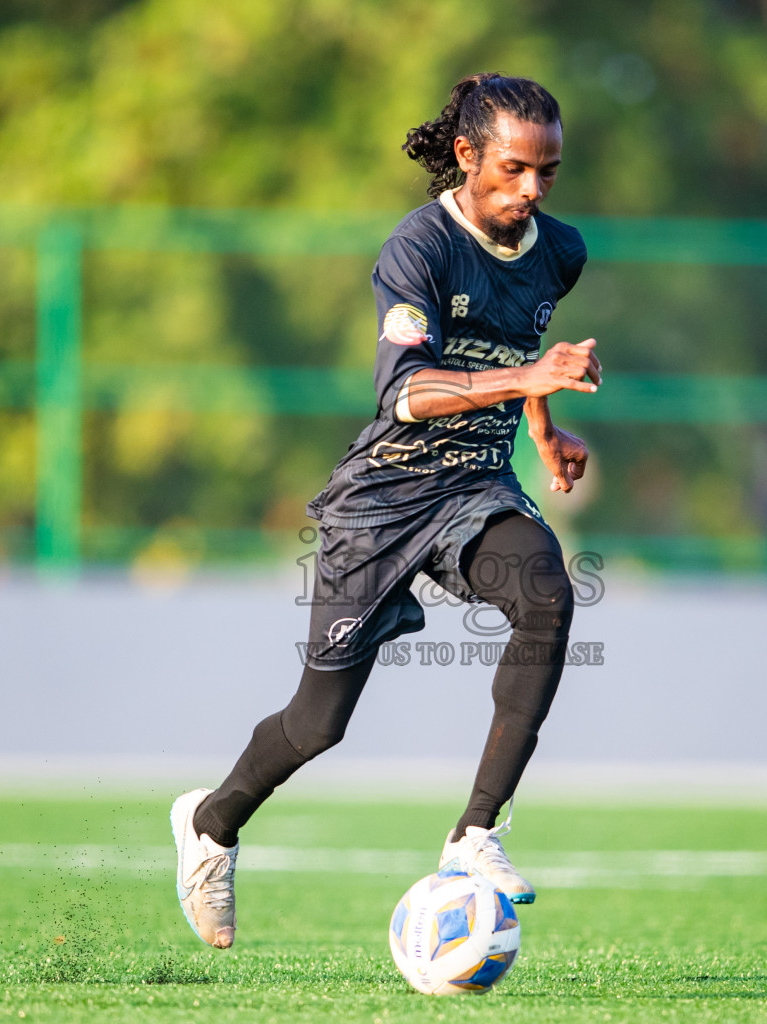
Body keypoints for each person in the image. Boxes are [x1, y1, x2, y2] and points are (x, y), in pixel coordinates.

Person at [170, 72, 602, 950]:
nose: (531, 190)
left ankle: (475, 833)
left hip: (476, 487)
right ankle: (210, 826)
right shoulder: (418, 247)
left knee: (548, 593)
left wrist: (544, 428)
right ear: (467, 153)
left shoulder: (561, 251)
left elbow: (522, 350)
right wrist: (527, 381)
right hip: (385, 499)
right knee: (317, 724)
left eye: (548, 173)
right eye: (515, 169)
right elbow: (403, 391)